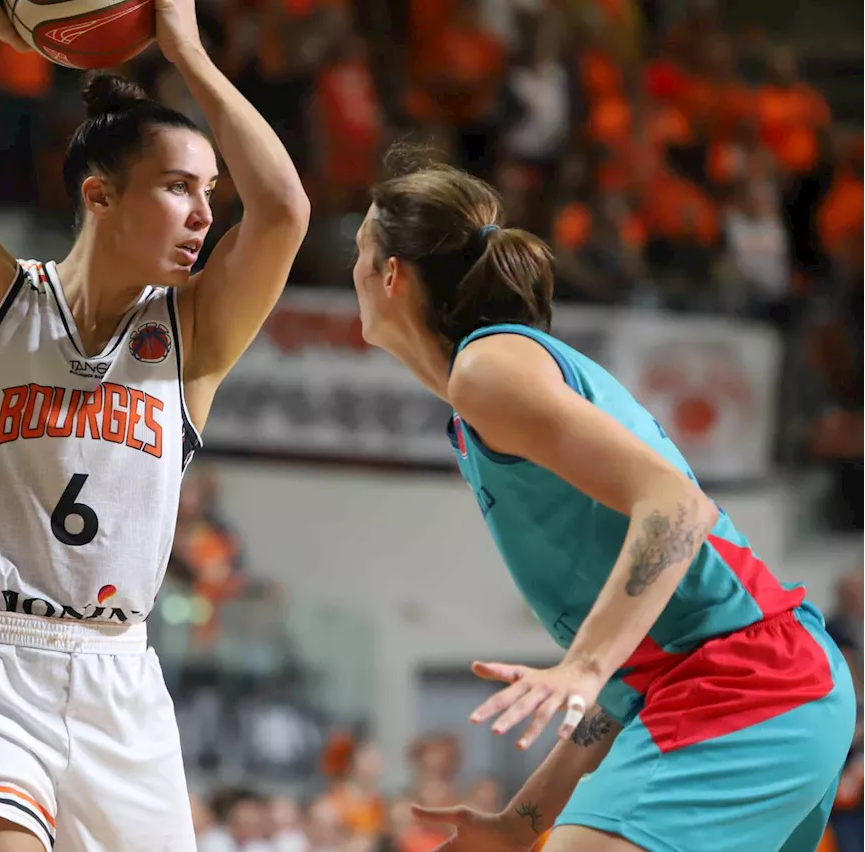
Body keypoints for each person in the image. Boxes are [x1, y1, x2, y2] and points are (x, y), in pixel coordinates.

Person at [0, 0, 309, 848]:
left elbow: (284, 209)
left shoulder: (193, 336)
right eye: (178, 186)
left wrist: (185, 49)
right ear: (99, 195)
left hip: (120, 677)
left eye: (208, 191)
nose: (204, 214)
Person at [348, 147, 853, 852]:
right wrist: (520, 824)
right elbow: (628, 680)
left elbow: (678, 507)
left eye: (359, 249)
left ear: (389, 275)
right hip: (741, 686)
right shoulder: (493, 394)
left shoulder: (488, 369)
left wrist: (582, 665)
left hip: (746, 682)